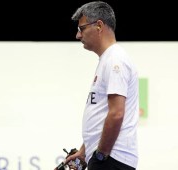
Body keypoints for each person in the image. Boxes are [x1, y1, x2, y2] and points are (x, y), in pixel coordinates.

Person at [62, 1, 139, 170]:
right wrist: (84, 151)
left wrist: (101, 154)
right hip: (107, 158)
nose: (78, 35)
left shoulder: (115, 60)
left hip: (111, 159)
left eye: (81, 28)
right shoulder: (108, 59)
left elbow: (116, 113)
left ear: (98, 25)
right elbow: (102, 114)